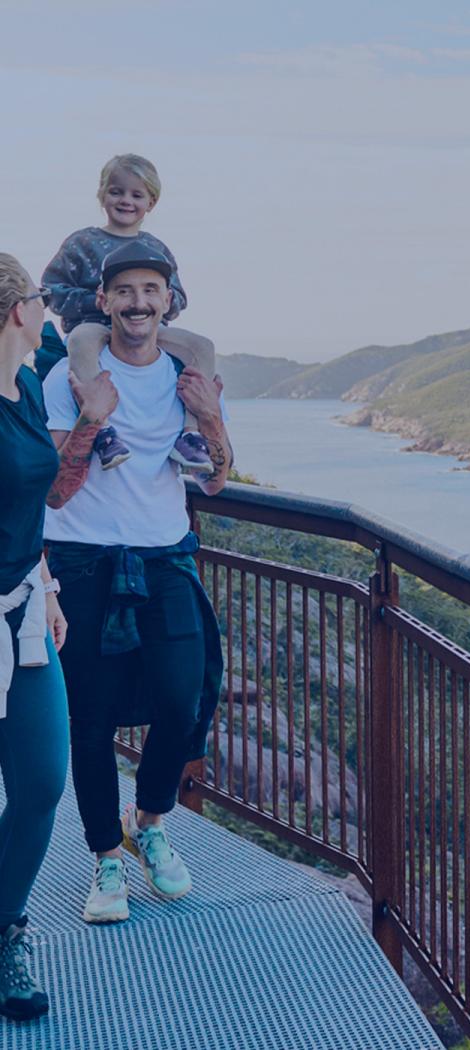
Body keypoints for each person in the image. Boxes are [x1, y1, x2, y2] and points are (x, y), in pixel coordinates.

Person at [43, 240, 228, 924]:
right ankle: (105, 858)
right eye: (125, 291)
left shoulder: (187, 373)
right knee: (89, 721)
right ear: (104, 301)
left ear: (168, 301)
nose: (138, 302)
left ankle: (147, 821)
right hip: (82, 561)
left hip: (165, 558)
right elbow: (55, 493)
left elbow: (217, 478)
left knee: (182, 700)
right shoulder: (67, 375)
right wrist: (92, 417)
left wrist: (210, 415)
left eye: (151, 290)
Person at [42, 154, 215, 473]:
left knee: (202, 347)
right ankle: (104, 431)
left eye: (137, 194)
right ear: (102, 194)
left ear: (151, 202)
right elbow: (52, 290)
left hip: (147, 330)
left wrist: (151, 304)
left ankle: (190, 434)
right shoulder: (82, 243)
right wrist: (97, 302)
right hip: (94, 327)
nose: (126, 200)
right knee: (80, 339)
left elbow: (178, 298)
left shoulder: (157, 249)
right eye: (117, 191)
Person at [0, 254, 69, 1021]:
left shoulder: (24, 385)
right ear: (19, 309)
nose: (46, 309)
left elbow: (25, 505)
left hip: (22, 613)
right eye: (40, 299)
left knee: (43, 781)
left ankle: (3, 927)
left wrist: (44, 585)